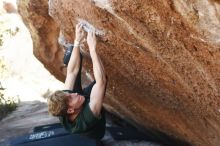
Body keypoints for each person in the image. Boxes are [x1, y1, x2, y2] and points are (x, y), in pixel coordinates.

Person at [47, 23, 107, 140]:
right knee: (101, 80)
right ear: (70, 110)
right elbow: (102, 81)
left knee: (73, 56)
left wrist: (77, 41)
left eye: (69, 93)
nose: (74, 93)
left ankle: (69, 56)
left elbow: (72, 72)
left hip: (79, 105)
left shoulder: (64, 101)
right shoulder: (87, 118)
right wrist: (92, 48)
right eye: (70, 97)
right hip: (95, 129)